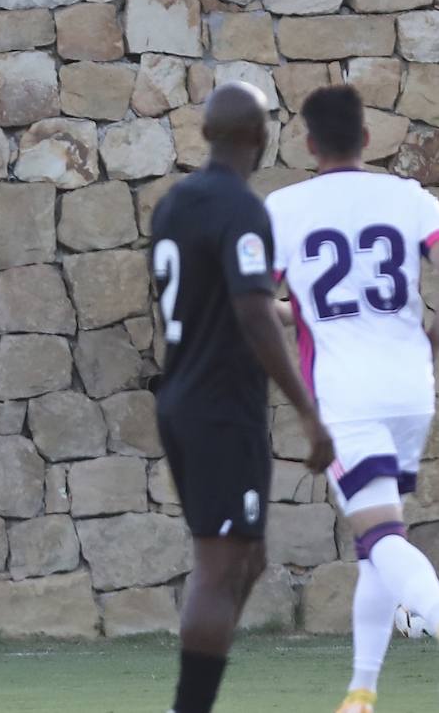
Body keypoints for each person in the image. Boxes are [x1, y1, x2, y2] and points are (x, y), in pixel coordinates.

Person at [150, 81, 334, 713]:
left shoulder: (174, 205)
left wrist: (282, 311)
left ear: (206, 134)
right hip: (220, 408)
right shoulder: (244, 209)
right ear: (259, 137)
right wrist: (310, 414)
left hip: (181, 398)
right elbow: (249, 314)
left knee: (248, 559)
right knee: (220, 565)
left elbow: (220, 304)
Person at [265, 85, 439, 713]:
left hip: (347, 396)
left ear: (308, 144)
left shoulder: (284, 208)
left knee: (382, 535)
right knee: (377, 539)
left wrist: (288, 314)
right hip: (410, 391)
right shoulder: (408, 197)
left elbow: (250, 301)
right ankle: (360, 693)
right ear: (368, 138)